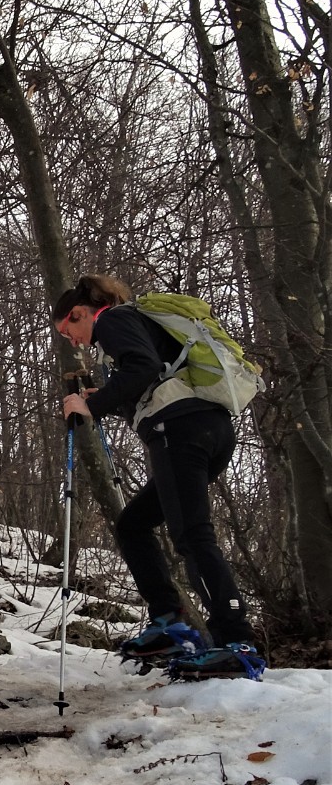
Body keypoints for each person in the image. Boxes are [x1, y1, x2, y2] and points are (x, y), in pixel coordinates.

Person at [51, 273, 265, 681]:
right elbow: (152, 372)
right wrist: (104, 399)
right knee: (134, 525)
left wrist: (88, 405)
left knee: (193, 535)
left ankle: (237, 641)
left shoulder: (112, 320)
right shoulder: (135, 324)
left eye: (69, 331)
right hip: (208, 429)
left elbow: (144, 366)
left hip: (181, 431)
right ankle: (170, 623)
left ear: (79, 313)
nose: (74, 341)